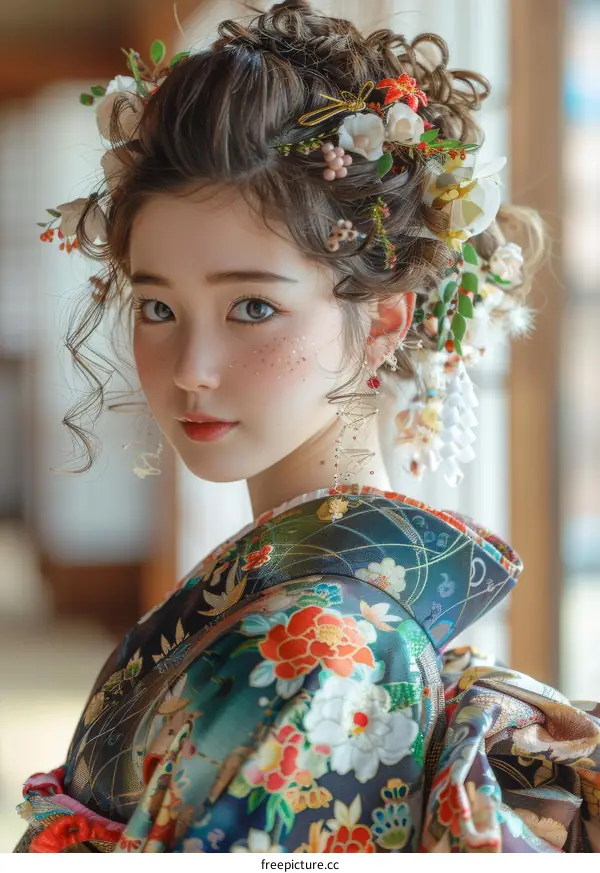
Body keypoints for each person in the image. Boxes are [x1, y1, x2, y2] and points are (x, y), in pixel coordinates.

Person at [17, 0, 600, 854]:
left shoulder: (322, 647)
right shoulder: (303, 608)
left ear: (386, 320)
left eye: (253, 306)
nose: (191, 367)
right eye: (158, 307)